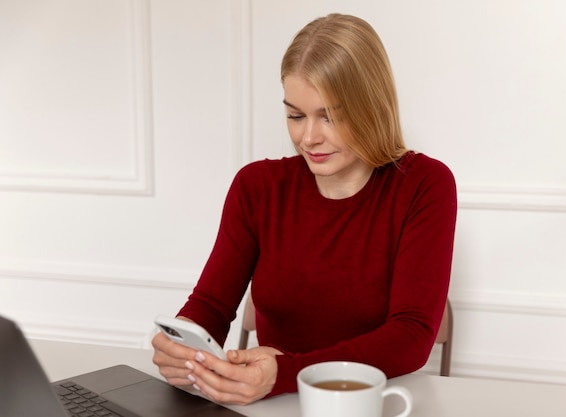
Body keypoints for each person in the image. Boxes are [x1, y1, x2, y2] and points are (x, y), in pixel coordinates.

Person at [152, 13, 457, 405]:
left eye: (330, 116)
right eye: (295, 115)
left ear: (371, 107)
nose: (308, 137)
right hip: (272, 403)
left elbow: (411, 336)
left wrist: (287, 371)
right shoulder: (257, 187)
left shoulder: (424, 185)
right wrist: (182, 345)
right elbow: (211, 306)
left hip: (367, 405)